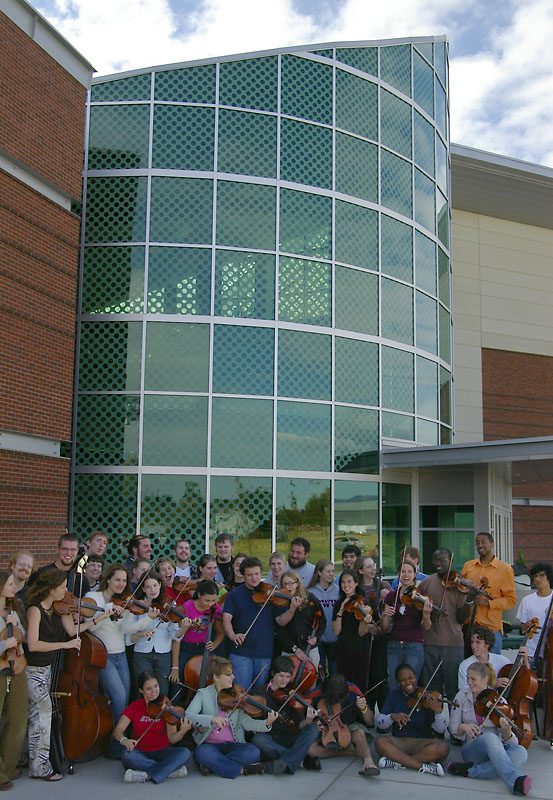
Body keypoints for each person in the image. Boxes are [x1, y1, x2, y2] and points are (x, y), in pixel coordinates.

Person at [25, 569, 110, 779]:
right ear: (51, 589)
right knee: (42, 715)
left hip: (46, 670)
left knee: (39, 716)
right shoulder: (35, 610)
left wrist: (100, 618)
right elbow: (33, 644)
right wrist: (64, 645)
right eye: (62, 587)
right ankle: (39, 767)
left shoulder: (57, 610)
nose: (66, 590)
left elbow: (74, 631)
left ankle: (35, 761)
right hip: (32, 669)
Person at [86, 563, 158, 757]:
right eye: (117, 579)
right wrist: (105, 612)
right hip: (103, 655)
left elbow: (126, 629)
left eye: (124, 581)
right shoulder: (94, 598)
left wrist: (148, 618)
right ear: (108, 578)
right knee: (117, 698)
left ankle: (114, 742)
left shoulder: (125, 601)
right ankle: (119, 744)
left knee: (124, 699)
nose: (121, 584)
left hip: (120, 654)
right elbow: (89, 628)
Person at [186, 655, 277, 778]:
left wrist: (267, 723)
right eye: (228, 675)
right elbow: (188, 715)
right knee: (201, 753)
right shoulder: (203, 694)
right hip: (210, 745)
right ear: (216, 677)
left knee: (253, 752)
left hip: (233, 745)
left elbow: (247, 722)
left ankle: (213, 765)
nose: (233, 677)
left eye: (232, 674)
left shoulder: (236, 695)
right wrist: (212, 719)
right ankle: (241, 770)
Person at [447, 662, 531, 795]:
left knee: (521, 752)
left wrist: (506, 731)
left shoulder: (499, 701)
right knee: (490, 737)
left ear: (485, 679)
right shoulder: (461, 696)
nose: (469, 682)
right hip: (472, 749)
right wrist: (463, 727)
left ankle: (470, 771)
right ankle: (515, 781)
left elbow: (512, 743)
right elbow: (453, 728)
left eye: (473, 679)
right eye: (468, 678)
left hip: (496, 749)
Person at [112, 670, 191, 783]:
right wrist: (124, 740)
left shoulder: (166, 707)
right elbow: (118, 730)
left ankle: (145, 775)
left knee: (185, 753)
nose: (154, 691)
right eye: (149, 689)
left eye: (156, 686)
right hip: (140, 751)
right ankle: (169, 771)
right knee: (127, 755)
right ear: (141, 691)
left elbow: (172, 739)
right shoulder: (135, 706)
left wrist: (182, 732)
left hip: (162, 751)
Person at [222, 557, 286, 691]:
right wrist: (233, 635)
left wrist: (291, 609)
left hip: (264, 651)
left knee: (260, 693)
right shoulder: (234, 595)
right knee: (242, 692)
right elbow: (226, 619)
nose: (254, 578)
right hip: (241, 652)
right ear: (243, 575)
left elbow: (281, 621)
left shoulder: (270, 594)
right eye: (250, 575)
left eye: (257, 574)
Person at [375, 662, 449, 776]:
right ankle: (422, 766)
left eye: (411, 678)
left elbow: (440, 730)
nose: (408, 683)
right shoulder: (394, 695)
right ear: (398, 683)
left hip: (422, 743)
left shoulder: (428, 696)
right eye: (403, 680)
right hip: (400, 741)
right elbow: (380, 724)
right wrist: (392, 717)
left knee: (443, 748)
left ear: (416, 677)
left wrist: (438, 712)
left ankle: (398, 761)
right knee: (380, 742)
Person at [419, 548, 473, 702]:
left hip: (453, 644)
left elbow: (462, 618)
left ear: (450, 562)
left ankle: (454, 724)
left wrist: (469, 599)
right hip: (431, 642)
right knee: (432, 689)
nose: (438, 564)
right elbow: (418, 610)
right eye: (435, 560)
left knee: (452, 688)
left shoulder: (459, 584)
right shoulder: (426, 583)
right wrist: (429, 613)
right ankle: (435, 724)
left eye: (442, 560)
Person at [252, 656, 321, 774]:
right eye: (281, 676)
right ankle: (300, 760)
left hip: (290, 736)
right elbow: (255, 723)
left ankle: (285, 762)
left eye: (288, 677)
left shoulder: (292, 694)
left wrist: (308, 721)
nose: (284, 680)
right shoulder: (259, 692)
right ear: (273, 674)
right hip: (271, 736)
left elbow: (299, 725)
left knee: (313, 729)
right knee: (258, 740)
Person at [309, 673, 380, 776]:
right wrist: (315, 722)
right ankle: (353, 752)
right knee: (311, 750)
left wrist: (364, 709)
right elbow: (304, 722)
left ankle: (368, 762)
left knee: (359, 734)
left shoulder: (353, 689)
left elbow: (370, 722)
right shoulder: (315, 693)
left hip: (349, 724)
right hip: (326, 730)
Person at [461, 532, 516, 653]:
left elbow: (510, 600)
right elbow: (461, 591)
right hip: (469, 626)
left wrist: (487, 603)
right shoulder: (468, 566)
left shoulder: (504, 569)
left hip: (491, 627)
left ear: (492, 544)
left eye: (483, 542)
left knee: (491, 669)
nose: (480, 545)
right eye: (477, 543)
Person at [381, 559, 431, 691]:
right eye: (403, 571)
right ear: (398, 574)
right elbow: (384, 627)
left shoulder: (421, 596)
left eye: (409, 571)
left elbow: (426, 627)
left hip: (414, 644)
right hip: (394, 644)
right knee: (393, 683)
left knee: (410, 685)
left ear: (415, 574)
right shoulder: (391, 596)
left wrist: (426, 614)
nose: (406, 575)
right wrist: (385, 615)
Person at [131, 570, 181, 697]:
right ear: (143, 588)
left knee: (162, 690)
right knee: (143, 691)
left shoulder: (169, 604)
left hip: (163, 654)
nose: (152, 589)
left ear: (160, 585)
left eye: (155, 585)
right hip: (142, 653)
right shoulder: (137, 605)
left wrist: (183, 627)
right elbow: (130, 635)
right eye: (148, 587)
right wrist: (142, 632)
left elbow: (175, 635)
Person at [0, 571, 28, 790]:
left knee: (18, 717)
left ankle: (8, 766)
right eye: (9, 584)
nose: (13, 586)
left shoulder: (12, 609)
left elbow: (23, 638)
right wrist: (3, 644)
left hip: (17, 667)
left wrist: (15, 625)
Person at [170, 579, 224, 686]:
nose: (210, 604)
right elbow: (177, 639)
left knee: (207, 680)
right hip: (187, 648)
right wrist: (175, 667)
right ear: (199, 595)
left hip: (204, 647)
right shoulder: (188, 606)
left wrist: (214, 644)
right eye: (207, 600)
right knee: (181, 680)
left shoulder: (215, 608)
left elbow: (220, 632)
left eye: (213, 600)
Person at [356, 556, 392, 716]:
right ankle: (367, 712)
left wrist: (389, 595)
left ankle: (385, 713)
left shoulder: (384, 585)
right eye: (369, 567)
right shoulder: (358, 590)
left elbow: (394, 608)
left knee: (380, 675)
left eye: (374, 566)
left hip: (383, 636)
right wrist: (368, 626)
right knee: (366, 675)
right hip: (365, 636)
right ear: (360, 570)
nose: (373, 569)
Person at [332, 569, 373, 698]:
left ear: (356, 583)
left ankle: (360, 714)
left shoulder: (363, 602)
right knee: (343, 685)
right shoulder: (339, 603)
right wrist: (341, 610)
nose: (346, 585)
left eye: (349, 581)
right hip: (343, 649)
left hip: (360, 649)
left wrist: (364, 621)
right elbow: (336, 631)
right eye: (343, 582)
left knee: (360, 684)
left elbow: (362, 633)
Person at [275, 569, 325, 663]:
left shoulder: (310, 598)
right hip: (289, 650)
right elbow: (280, 629)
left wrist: (316, 637)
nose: (287, 587)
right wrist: (294, 648)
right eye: (284, 584)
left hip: (310, 648)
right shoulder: (279, 601)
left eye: (290, 583)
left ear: (297, 583)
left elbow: (322, 620)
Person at [516, 561, 553, 665]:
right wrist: (526, 625)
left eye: (541, 575)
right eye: (535, 576)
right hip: (531, 651)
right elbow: (522, 628)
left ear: (548, 577)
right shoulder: (527, 600)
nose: (537, 579)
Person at [307, 559, 339, 677]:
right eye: (328, 571)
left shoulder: (338, 591)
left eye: (333, 571)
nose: (331, 574)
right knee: (319, 672)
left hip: (334, 638)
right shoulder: (310, 592)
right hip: (318, 638)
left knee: (334, 671)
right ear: (319, 573)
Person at [458, 626, 513, 691]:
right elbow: (464, 691)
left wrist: (525, 659)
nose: (473, 646)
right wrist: (492, 685)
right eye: (472, 642)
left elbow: (515, 674)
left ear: (487, 644)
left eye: (478, 642)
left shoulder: (501, 660)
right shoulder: (465, 665)